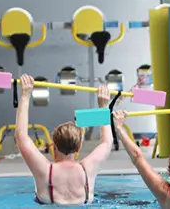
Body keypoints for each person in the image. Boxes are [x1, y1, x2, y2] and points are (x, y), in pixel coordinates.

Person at [16, 75, 113, 205]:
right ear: (79, 147)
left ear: (54, 145)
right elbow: (107, 142)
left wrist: (25, 96)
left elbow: (21, 137)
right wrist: (104, 106)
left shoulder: (45, 171)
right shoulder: (88, 169)